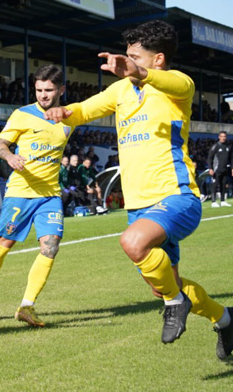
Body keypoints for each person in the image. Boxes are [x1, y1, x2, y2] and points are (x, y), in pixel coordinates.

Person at [44, 20, 232, 358]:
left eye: (134, 56)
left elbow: (174, 81)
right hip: (139, 206)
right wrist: (63, 112)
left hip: (176, 195)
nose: (125, 62)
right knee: (163, 286)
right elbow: (86, 109)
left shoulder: (178, 86)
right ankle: (225, 320)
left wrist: (139, 72)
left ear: (157, 59)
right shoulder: (120, 91)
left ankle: (176, 304)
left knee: (133, 243)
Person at [0, 64, 71, 328]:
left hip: (49, 194)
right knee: (2, 247)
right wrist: (11, 156)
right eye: (38, 90)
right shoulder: (22, 115)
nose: (42, 95)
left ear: (61, 90)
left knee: (50, 247)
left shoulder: (69, 119)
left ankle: (27, 306)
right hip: (20, 193)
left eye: (48, 90)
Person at [206, 131, 231, 207]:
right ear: (219, 137)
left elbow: (231, 157)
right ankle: (213, 201)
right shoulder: (216, 146)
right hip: (216, 169)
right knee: (214, 185)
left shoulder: (228, 146)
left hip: (224, 169)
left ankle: (222, 201)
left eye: (225, 136)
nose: (223, 138)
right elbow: (210, 158)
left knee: (223, 185)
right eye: (222, 136)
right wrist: (210, 168)